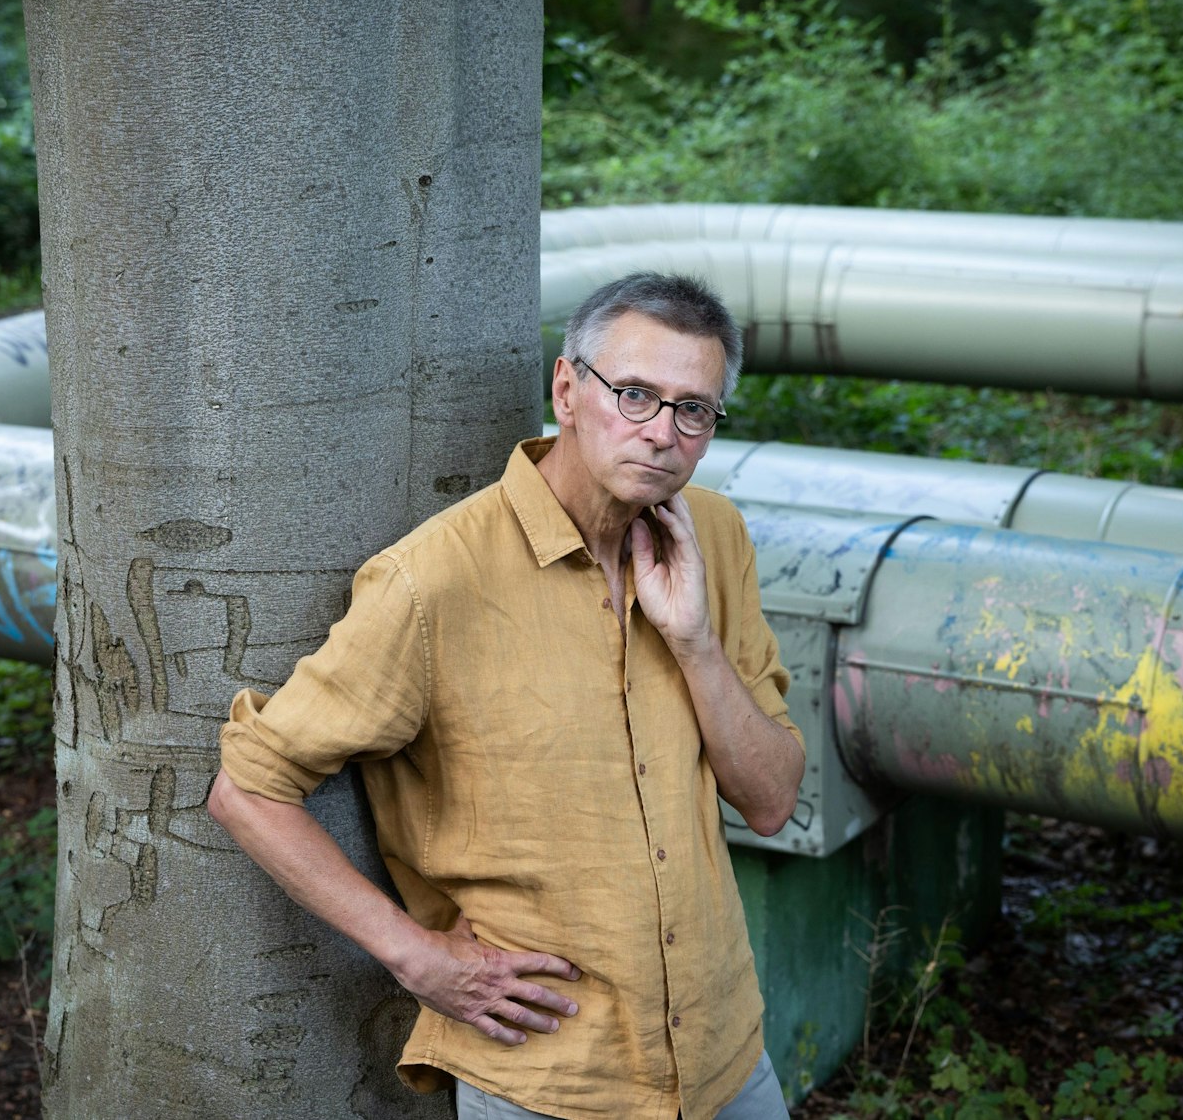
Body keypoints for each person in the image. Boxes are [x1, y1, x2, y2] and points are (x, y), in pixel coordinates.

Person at [207, 272, 806, 1120]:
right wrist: (413, 955)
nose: (662, 433)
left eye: (693, 409)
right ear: (567, 387)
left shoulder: (714, 534)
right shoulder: (432, 581)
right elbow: (249, 789)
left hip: (722, 1055)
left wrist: (696, 643)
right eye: (634, 394)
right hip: (550, 1075)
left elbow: (772, 799)